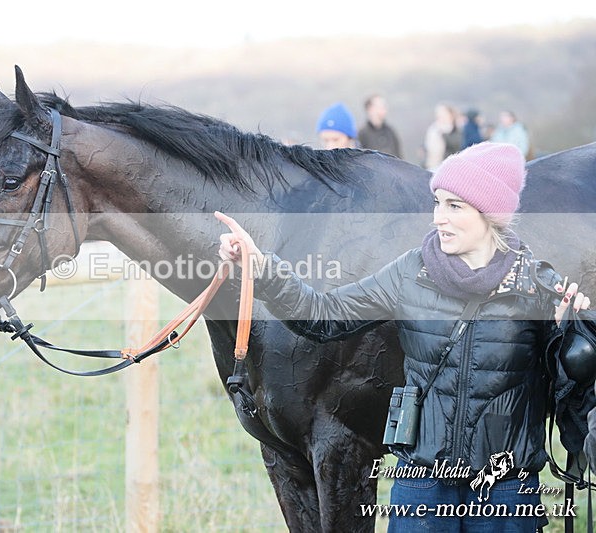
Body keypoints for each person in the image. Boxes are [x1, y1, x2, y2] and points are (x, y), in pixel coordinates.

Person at [216, 142, 592, 532]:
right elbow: (324, 316)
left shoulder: (536, 286)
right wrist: (262, 269)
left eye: (455, 206)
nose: (439, 218)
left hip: (505, 489)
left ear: (489, 214)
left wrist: (573, 338)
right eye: (438, 203)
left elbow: (565, 396)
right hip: (421, 485)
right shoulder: (411, 272)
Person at [422, 103, 461, 170]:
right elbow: (428, 150)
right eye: (439, 114)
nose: (441, 116)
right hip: (432, 166)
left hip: (450, 166)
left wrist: (444, 135)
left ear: (451, 114)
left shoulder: (456, 129)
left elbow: (456, 146)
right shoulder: (433, 130)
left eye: (444, 113)